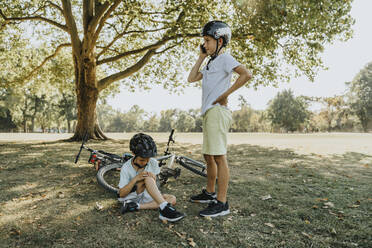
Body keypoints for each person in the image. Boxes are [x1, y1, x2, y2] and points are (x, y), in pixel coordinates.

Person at [187, 21, 252, 217]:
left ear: (220, 40)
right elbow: (191, 78)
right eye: (204, 41)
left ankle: (222, 203)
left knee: (218, 157)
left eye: (207, 40)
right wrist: (201, 57)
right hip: (209, 112)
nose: (205, 44)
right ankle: (209, 193)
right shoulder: (210, 63)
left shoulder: (225, 59)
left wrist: (225, 94)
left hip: (217, 111)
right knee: (208, 156)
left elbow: (246, 74)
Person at [118, 133, 185, 222]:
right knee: (147, 178)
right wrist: (136, 179)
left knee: (172, 199)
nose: (145, 162)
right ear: (133, 153)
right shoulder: (126, 168)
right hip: (131, 196)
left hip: (145, 195)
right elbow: (121, 194)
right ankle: (164, 209)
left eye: (148, 159)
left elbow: (154, 186)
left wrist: (154, 179)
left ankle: (135, 206)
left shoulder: (153, 162)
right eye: (142, 160)